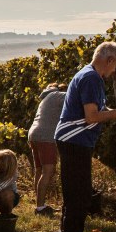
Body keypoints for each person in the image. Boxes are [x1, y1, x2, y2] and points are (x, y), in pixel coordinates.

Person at [53, 42, 116, 232]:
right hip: (74, 140)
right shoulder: (92, 78)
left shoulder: (87, 75)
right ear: (110, 60)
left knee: (73, 192)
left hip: (71, 139)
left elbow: (99, 110)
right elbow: (92, 117)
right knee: (80, 193)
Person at [28, 84, 67, 216]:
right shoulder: (58, 96)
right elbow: (74, 97)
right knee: (48, 171)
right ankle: (40, 208)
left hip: (33, 134)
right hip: (46, 136)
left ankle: (39, 205)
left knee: (40, 170)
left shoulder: (45, 98)